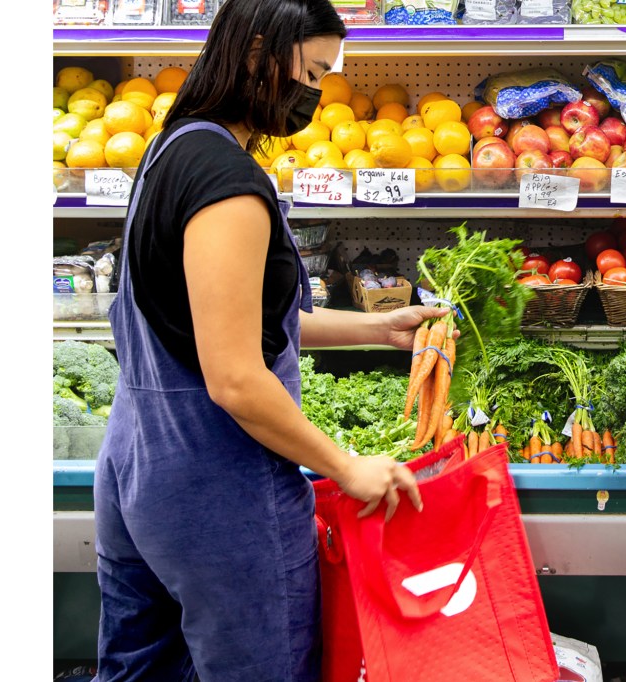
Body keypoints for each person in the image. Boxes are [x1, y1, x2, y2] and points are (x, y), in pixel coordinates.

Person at [92, 1, 449, 679]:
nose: (314, 95)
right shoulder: (229, 186)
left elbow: (224, 320)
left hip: (136, 467)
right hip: (216, 487)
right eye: (312, 72)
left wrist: (376, 327)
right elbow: (233, 376)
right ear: (258, 52)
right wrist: (346, 466)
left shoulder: (171, 149)